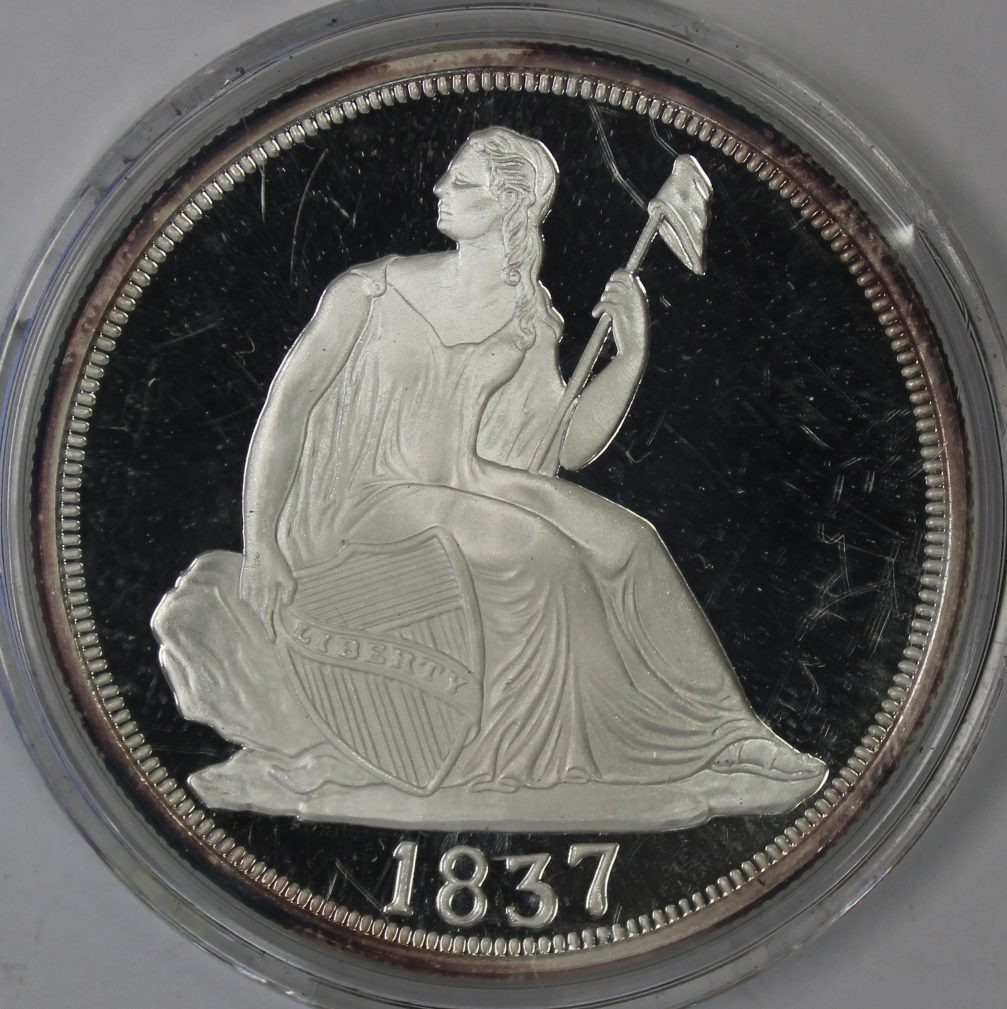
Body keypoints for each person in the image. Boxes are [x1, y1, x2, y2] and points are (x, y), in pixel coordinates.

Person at [152, 126, 827, 830]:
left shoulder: (525, 312)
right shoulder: (370, 293)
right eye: (449, 176)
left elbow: (567, 442)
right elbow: (286, 410)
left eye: (462, 181)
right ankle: (565, 756)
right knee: (540, 552)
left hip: (467, 482)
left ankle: (727, 735)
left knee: (631, 540)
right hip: (366, 498)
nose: (439, 189)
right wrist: (261, 542)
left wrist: (629, 355)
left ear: (510, 204)